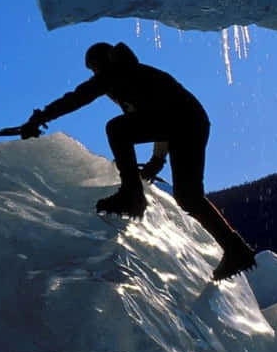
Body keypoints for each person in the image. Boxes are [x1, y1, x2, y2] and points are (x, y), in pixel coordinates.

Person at [20, 41, 256, 280]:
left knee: (117, 129)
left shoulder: (116, 72)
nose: (94, 75)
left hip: (184, 122)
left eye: (93, 69)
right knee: (189, 197)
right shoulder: (132, 76)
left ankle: (131, 195)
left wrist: (40, 118)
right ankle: (236, 249)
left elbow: (77, 97)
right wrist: (157, 158)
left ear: (102, 62)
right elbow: (159, 113)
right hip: (190, 123)